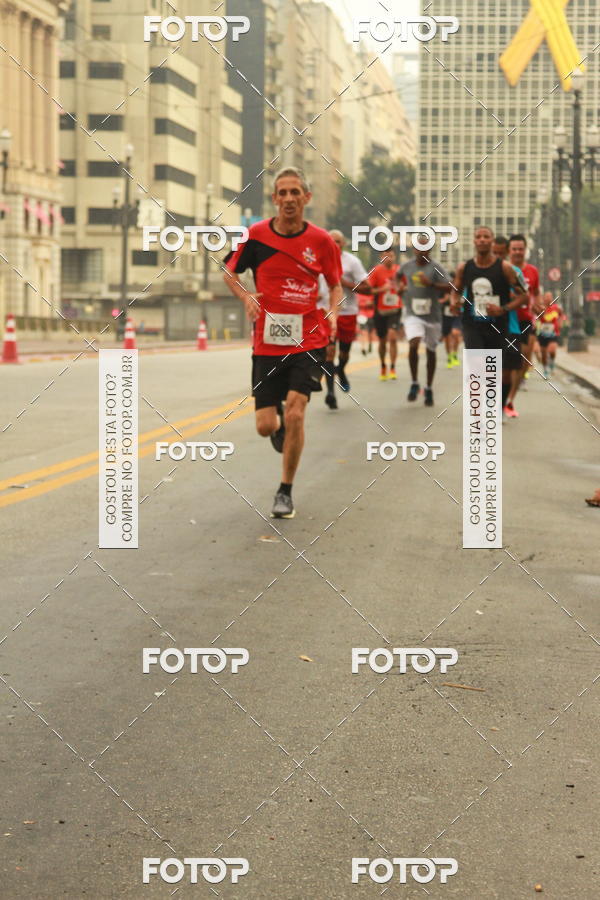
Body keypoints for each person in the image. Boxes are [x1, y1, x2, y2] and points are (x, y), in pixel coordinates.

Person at [223, 166, 342, 519]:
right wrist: (246, 296)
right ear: (275, 199)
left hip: (309, 339)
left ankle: (285, 491)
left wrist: (333, 313)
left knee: (296, 411)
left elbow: (335, 285)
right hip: (267, 342)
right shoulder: (256, 235)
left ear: (307, 198)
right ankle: (279, 427)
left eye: (295, 192)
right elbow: (229, 270)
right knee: (265, 426)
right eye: (282, 193)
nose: (289, 198)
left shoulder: (321, 241)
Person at [451, 226, 527, 413]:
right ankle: (478, 410)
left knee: (493, 371)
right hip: (472, 324)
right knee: (476, 363)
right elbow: (456, 290)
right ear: (474, 241)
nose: (482, 239)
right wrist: (455, 303)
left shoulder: (505, 268)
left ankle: (492, 407)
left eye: (486, 236)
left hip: (497, 326)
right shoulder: (465, 267)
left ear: (492, 241)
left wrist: (503, 309)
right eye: (479, 236)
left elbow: (523, 296)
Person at [322, 230, 375, 404]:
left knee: (344, 353)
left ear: (343, 244)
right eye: (330, 241)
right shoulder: (318, 258)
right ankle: (330, 393)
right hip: (326, 312)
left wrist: (344, 283)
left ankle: (342, 370)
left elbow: (368, 289)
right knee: (329, 352)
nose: (334, 245)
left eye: (337, 241)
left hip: (347, 312)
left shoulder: (352, 262)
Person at [398, 242, 451, 407]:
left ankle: (428, 387)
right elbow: (397, 277)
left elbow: (450, 286)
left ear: (429, 249)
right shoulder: (406, 266)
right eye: (417, 247)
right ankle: (414, 382)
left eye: (424, 247)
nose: (421, 250)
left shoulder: (436, 267)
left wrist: (432, 284)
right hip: (412, 313)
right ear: (413, 249)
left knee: (431, 350)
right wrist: (399, 287)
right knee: (413, 343)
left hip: (432, 316)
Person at [492, 235, 529, 417]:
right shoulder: (481, 270)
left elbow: (524, 296)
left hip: (511, 326)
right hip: (486, 326)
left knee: (507, 372)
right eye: (494, 253)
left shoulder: (514, 271)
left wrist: (509, 301)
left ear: (507, 253)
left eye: (501, 253)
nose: (497, 256)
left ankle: (500, 407)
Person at [507, 234, 541, 410]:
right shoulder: (504, 269)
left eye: (521, 249)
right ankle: (504, 395)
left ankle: (510, 399)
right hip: (506, 320)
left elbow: (535, 293)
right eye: (514, 249)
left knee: (523, 361)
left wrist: (537, 305)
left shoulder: (532, 271)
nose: (518, 252)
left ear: (525, 250)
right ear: (509, 251)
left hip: (526, 320)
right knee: (507, 362)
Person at [368, 248, 404, 381]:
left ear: (395, 257)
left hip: (395, 309)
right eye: (386, 255)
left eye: (391, 255)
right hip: (380, 310)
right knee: (382, 340)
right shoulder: (376, 271)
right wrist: (382, 289)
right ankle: (383, 365)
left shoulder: (399, 270)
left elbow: (406, 286)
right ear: (381, 257)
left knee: (393, 337)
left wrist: (401, 289)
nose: (389, 258)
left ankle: (393, 367)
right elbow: (369, 290)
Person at [536, 291, 563, 378]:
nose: (548, 298)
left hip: (553, 332)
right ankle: (545, 369)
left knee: (552, 350)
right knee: (543, 354)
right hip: (542, 333)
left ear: (552, 298)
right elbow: (536, 317)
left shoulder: (556, 308)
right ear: (543, 298)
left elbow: (561, 315)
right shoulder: (540, 308)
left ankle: (552, 363)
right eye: (546, 297)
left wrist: (560, 322)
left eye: (550, 297)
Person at [441, 270, 462, 369]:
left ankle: (455, 353)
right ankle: (449, 356)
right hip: (445, 315)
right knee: (447, 337)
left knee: (455, 333)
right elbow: (438, 300)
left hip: (456, 314)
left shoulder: (459, 288)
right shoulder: (443, 288)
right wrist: (445, 299)